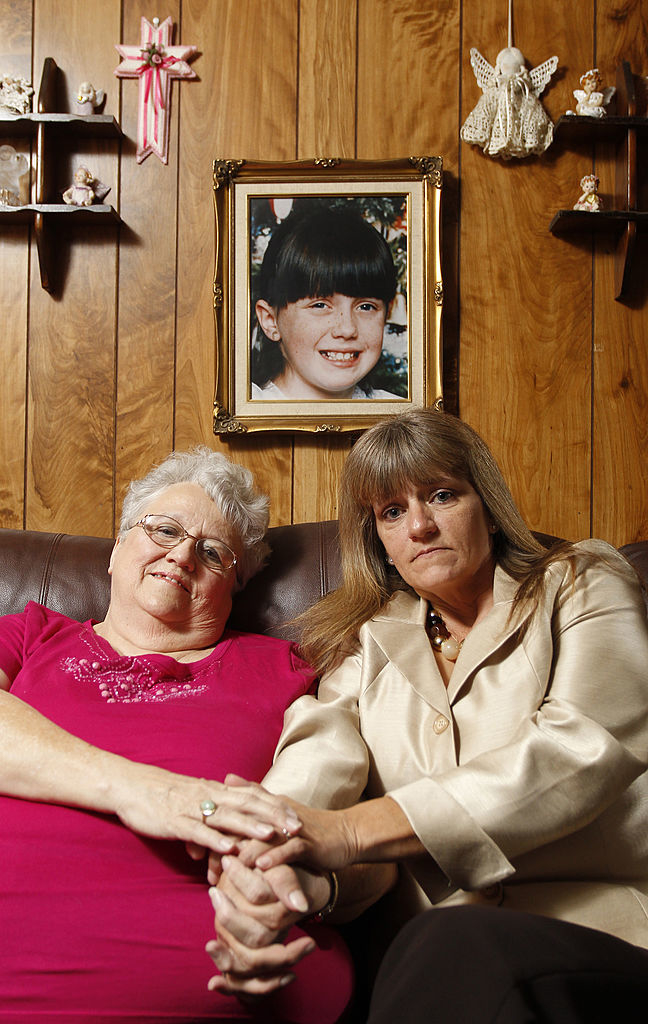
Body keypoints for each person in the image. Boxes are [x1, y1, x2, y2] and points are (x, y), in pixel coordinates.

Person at [204, 409, 648, 1020]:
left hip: (603, 938)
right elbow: (320, 756)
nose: (419, 526)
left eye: (442, 495)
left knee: (453, 945)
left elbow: (582, 750)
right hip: (434, 971)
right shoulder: (366, 643)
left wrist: (349, 832)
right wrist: (269, 856)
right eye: (392, 511)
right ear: (379, 542)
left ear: (488, 507)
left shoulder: (582, 582)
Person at [0, 447, 353, 1024]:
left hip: (217, 961)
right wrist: (142, 791)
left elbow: (342, 808)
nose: (183, 554)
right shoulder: (33, 636)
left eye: (213, 553)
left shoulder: (284, 668)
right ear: (116, 549)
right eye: (164, 530)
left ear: (235, 586)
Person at [251, 206, 402, 400]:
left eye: (366, 307)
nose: (347, 329)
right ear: (270, 320)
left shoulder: (399, 410)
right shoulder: (246, 410)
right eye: (320, 305)